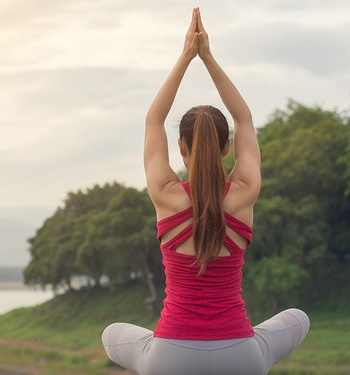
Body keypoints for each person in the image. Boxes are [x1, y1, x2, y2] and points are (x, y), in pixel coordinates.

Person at [101, 8, 309, 375]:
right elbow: (243, 117)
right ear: (227, 147)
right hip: (241, 356)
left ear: (181, 148)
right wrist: (209, 57)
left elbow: (153, 120)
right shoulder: (244, 192)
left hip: (169, 357)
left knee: (112, 335)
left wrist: (186, 56)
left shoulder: (165, 193)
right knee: (298, 318)